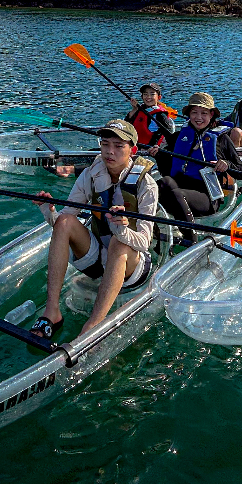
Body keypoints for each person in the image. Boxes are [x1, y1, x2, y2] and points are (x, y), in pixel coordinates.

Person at [30, 119, 158, 344]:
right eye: (105, 144)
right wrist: (48, 211)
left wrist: (122, 228)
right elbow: (64, 221)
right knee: (66, 222)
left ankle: (94, 324)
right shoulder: (91, 174)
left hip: (131, 266)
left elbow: (144, 242)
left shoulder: (146, 184)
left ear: (132, 150)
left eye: (119, 146)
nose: (110, 151)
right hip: (98, 259)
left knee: (119, 244)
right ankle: (52, 312)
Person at [149, 92, 242, 246]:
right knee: (159, 184)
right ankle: (153, 234)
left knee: (173, 192)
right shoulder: (178, 137)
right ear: (189, 114)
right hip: (178, 191)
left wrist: (227, 164)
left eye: (204, 113)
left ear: (212, 114)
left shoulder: (221, 139)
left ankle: (191, 241)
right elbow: (168, 172)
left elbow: (241, 171)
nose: (199, 117)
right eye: (194, 112)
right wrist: (159, 156)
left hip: (207, 196)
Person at [124, 82, 175, 148]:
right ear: (142, 97)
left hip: (150, 151)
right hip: (135, 147)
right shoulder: (139, 109)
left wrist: (156, 147)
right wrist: (134, 109)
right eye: (145, 94)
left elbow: (169, 135)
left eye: (152, 94)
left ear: (159, 97)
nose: (148, 97)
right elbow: (126, 125)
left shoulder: (160, 115)